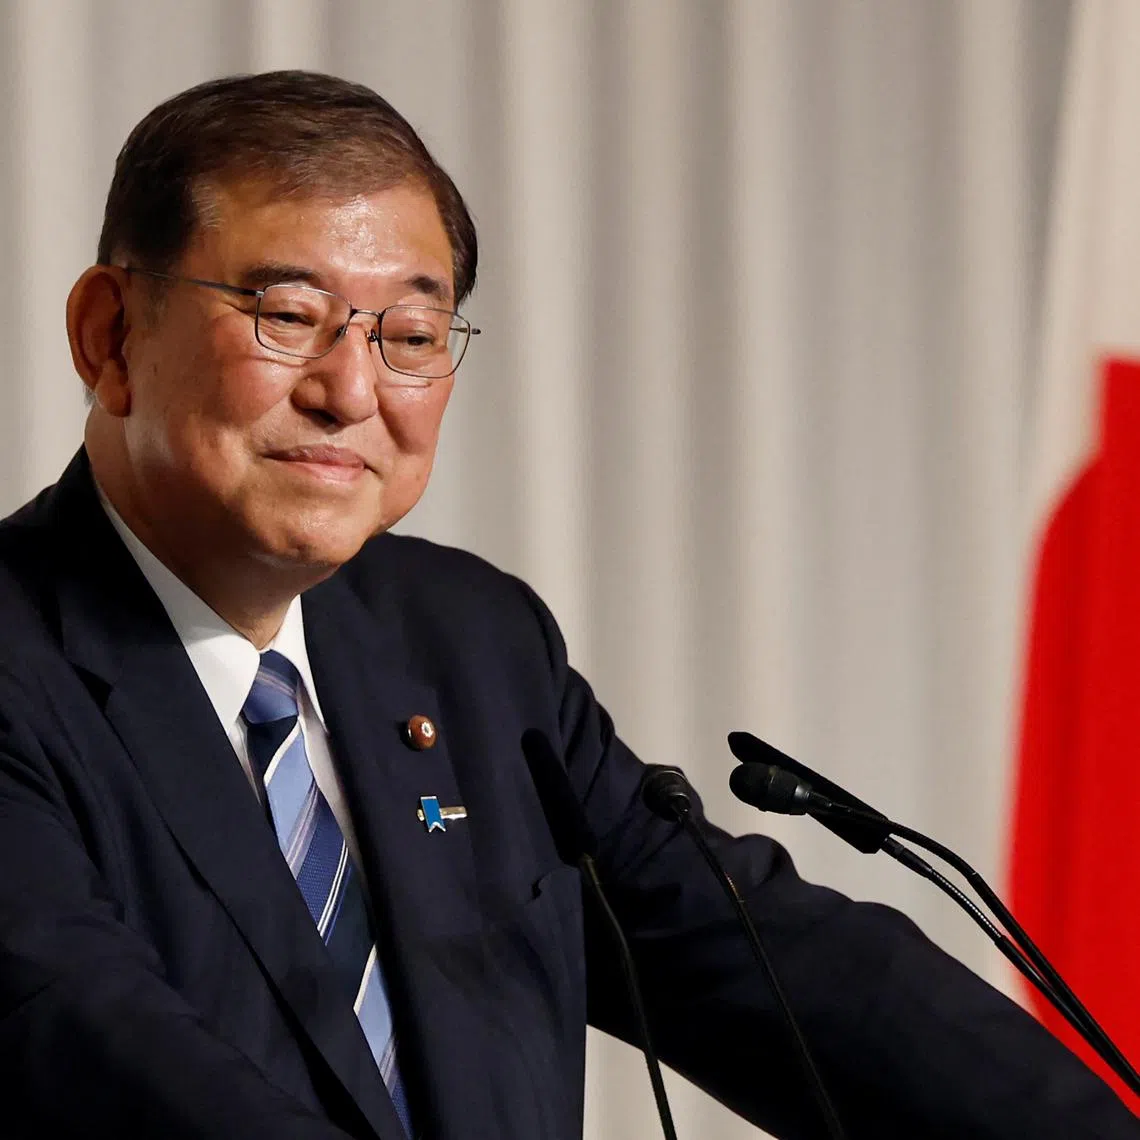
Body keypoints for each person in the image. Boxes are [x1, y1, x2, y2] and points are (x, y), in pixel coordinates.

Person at [0, 70, 1133, 1140]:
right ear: (111, 337)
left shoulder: (468, 646)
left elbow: (763, 960)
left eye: (409, 336)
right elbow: (102, 1057)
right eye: (288, 315)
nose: (350, 392)